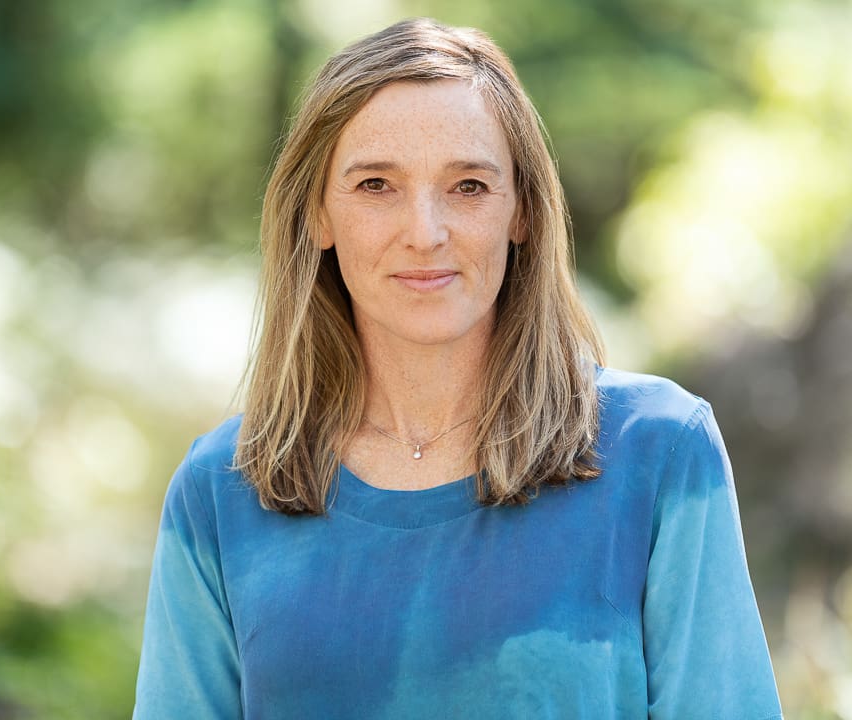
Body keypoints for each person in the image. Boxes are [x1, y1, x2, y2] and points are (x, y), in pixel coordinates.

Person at [132, 17, 783, 720]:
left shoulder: (659, 453)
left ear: (522, 212)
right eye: (376, 185)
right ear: (317, 214)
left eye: (468, 186)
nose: (425, 232)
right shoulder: (220, 493)